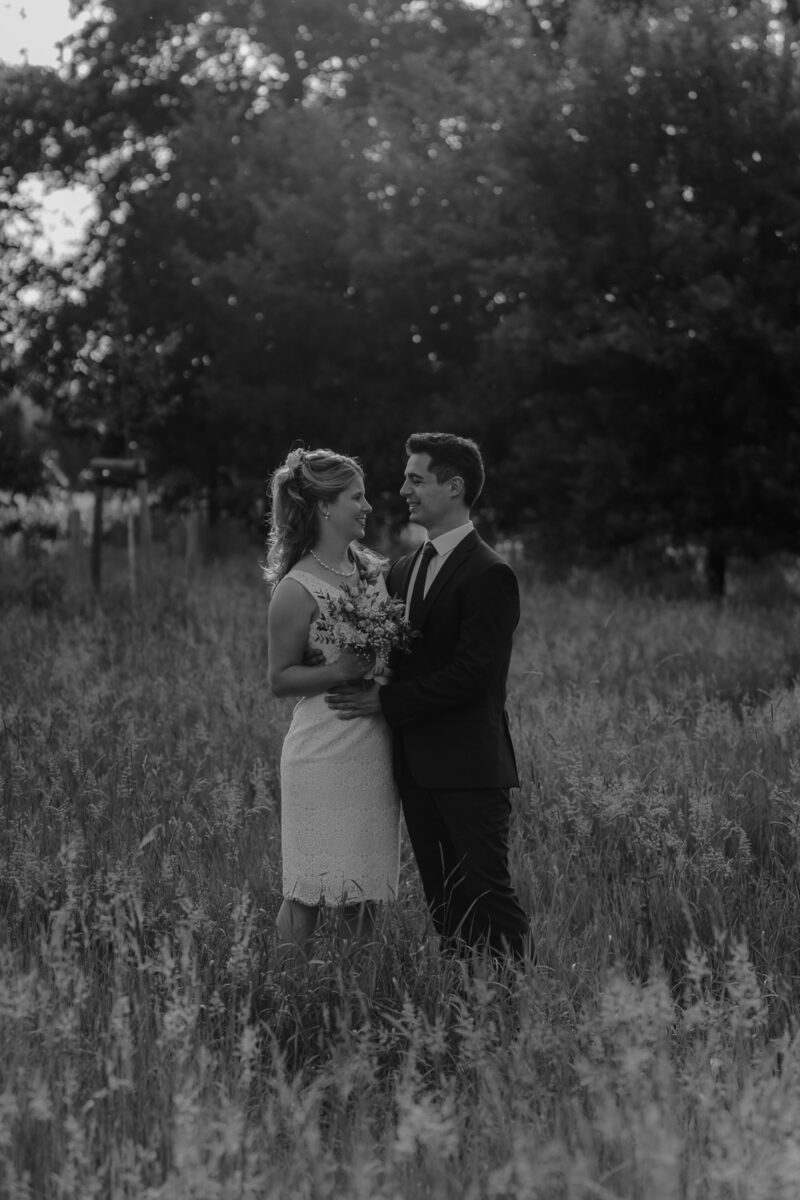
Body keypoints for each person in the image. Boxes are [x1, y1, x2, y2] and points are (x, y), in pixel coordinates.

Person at [326, 432, 531, 962]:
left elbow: (474, 675)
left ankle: (526, 1003)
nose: (404, 490)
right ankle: (468, 1001)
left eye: (416, 480)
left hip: (469, 767)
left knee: (489, 897)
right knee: (445, 905)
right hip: (415, 766)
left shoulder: (490, 573)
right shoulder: (402, 568)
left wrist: (386, 704)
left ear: (454, 486)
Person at [265, 447, 401, 958]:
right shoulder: (295, 588)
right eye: (356, 497)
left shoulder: (373, 573)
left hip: (373, 749)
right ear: (324, 506)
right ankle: (285, 991)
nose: (367, 506)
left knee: (363, 894)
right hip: (322, 752)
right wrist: (338, 671)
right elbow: (280, 679)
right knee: (309, 890)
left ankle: (354, 996)